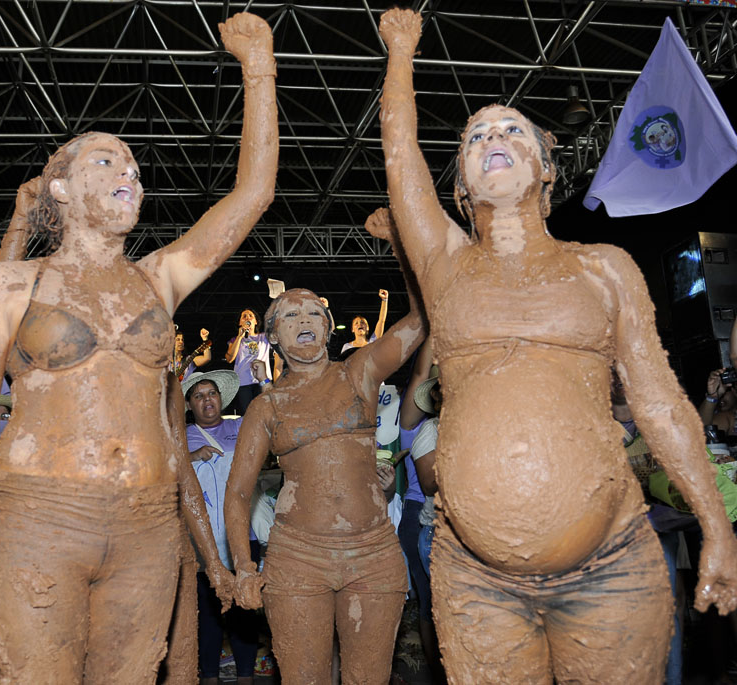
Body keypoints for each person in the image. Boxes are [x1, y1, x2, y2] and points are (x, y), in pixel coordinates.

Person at [378, 9, 737, 683]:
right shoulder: (447, 269)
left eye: (513, 128)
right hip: (474, 578)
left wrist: (716, 526)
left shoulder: (603, 267)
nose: (493, 134)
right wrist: (401, 53)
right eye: (476, 133)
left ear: (547, 169)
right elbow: (400, 162)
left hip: (613, 563)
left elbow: (659, 401)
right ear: (458, 187)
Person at [0, 12, 278, 684]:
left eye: (135, 165)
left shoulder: (158, 280)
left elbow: (253, 194)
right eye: (107, 158)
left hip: (145, 528)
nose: (130, 171)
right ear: (61, 186)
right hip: (40, 519)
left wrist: (260, 69)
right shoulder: (13, 282)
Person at [223, 219, 425, 684]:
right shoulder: (267, 405)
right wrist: (244, 568)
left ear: (329, 328)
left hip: (373, 553)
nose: (304, 321)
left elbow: (421, 320)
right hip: (297, 558)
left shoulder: (361, 373)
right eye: (290, 316)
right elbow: (237, 494)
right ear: (273, 336)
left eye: (313, 313)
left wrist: (401, 246)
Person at [182, 370, 260, 685]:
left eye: (211, 393)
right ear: (190, 404)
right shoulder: (180, 436)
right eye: (198, 396)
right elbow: (165, 471)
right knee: (208, 618)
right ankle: (210, 678)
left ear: (221, 398)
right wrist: (191, 457)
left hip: (243, 536)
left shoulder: (241, 427)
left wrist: (263, 379)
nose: (207, 400)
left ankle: (245, 678)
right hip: (201, 542)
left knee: (244, 613)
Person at [225, 309, 281, 415]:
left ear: (256, 322)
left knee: (264, 413)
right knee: (247, 414)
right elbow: (229, 358)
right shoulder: (236, 340)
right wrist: (239, 336)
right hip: (243, 383)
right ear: (240, 323)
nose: (247, 318)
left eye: (251, 316)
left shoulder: (264, 337)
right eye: (244, 316)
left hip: (262, 381)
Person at [340, 289, 388, 354]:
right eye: (356, 323)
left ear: (367, 327)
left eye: (363, 322)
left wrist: (384, 300)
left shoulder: (373, 342)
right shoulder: (347, 347)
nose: (360, 324)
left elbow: (381, 320)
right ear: (352, 329)